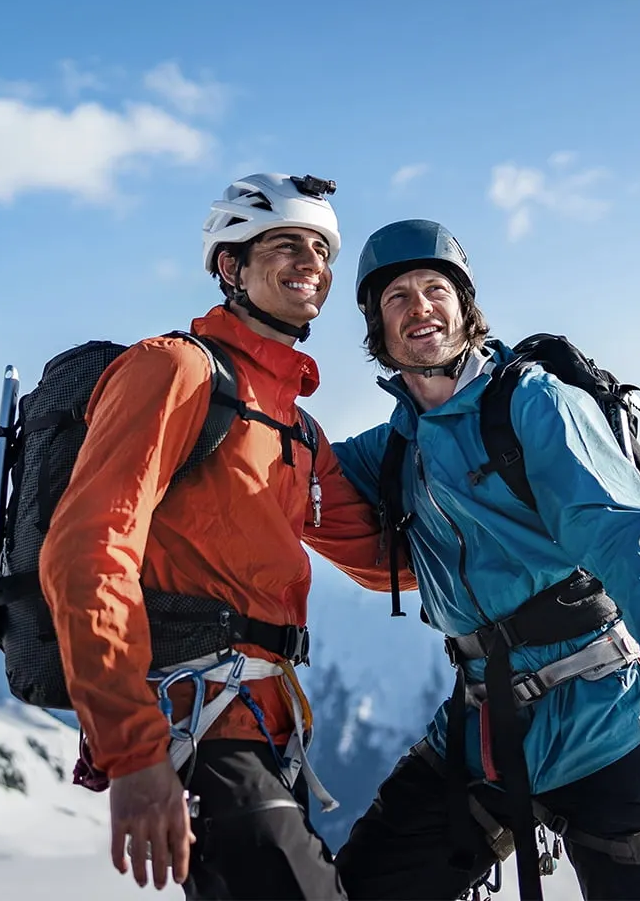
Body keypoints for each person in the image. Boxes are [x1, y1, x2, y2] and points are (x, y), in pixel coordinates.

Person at [331, 220, 640, 901]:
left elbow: (626, 538)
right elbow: (281, 473)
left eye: (435, 289)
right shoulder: (394, 448)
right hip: (487, 728)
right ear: (377, 325)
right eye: (397, 297)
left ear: (465, 306)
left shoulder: (533, 406)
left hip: (610, 723)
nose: (420, 307)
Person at [40, 174, 407, 900]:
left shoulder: (296, 425)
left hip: (268, 731)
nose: (311, 264)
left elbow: (385, 562)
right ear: (230, 266)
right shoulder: (174, 371)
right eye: (284, 246)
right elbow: (88, 553)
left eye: (321, 251)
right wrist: (133, 752)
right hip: (195, 724)